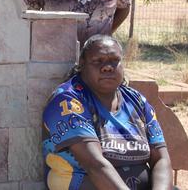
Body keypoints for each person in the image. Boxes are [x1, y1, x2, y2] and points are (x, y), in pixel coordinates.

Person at [42, 35, 173, 190]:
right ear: (82, 65)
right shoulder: (68, 100)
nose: (108, 67)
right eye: (98, 61)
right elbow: (95, 165)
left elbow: (161, 158)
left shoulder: (137, 101)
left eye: (114, 60)